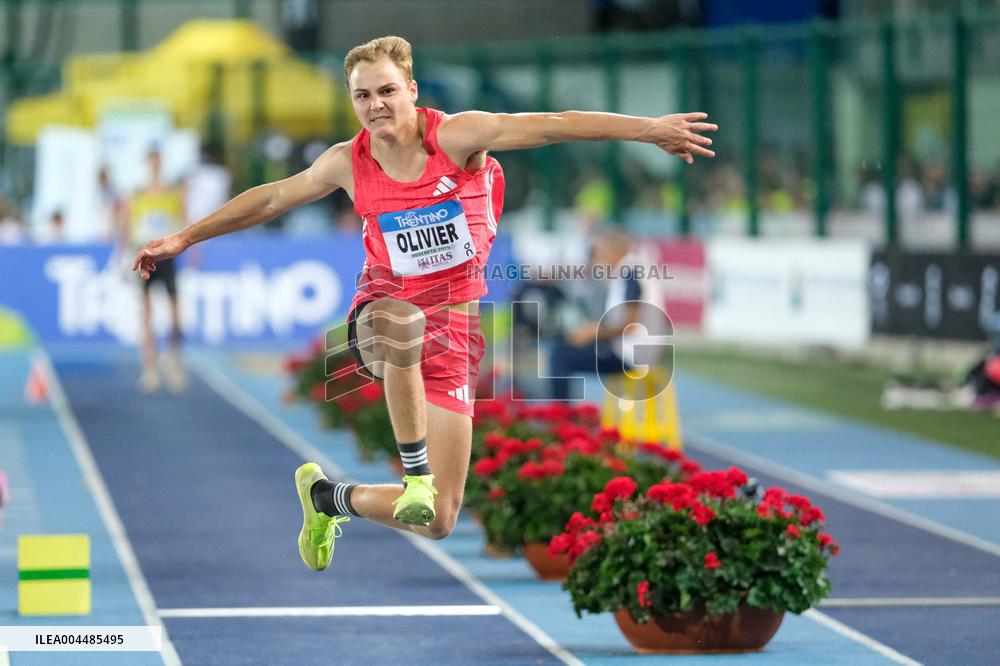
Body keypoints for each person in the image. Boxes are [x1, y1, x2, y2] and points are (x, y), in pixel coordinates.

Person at [132, 35, 716, 572]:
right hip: (382, 318)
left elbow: (553, 125)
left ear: (412, 90)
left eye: (387, 91)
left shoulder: (458, 137)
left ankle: (329, 499)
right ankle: (414, 473)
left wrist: (648, 129)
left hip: (455, 337)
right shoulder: (348, 161)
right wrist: (185, 237)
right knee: (403, 324)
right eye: (362, 96)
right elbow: (271, 199)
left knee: (439, 517)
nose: (375, 105)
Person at [548, 228, 657, 401]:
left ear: (614, 252)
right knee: (566, 346)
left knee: (559, 355)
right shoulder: (628, 272)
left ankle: (561, 412)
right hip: (630, 351)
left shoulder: (630, 274)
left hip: (629, 356)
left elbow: (630, 325)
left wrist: (594, 332)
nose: (597, 260)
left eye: (600, 253)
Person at [125, 149, 188, 394]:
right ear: (147, 165)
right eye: (151, 163)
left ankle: (172, 359)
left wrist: (192, 251)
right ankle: (149, 369)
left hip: (168, 258)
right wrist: (124, 253)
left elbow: (185, 220)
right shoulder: (138, 194)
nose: (155, 167)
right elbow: (127, 224)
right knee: (146, 316)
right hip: (145, 256)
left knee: (176, 316)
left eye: (158, 163)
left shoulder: (172, 193)